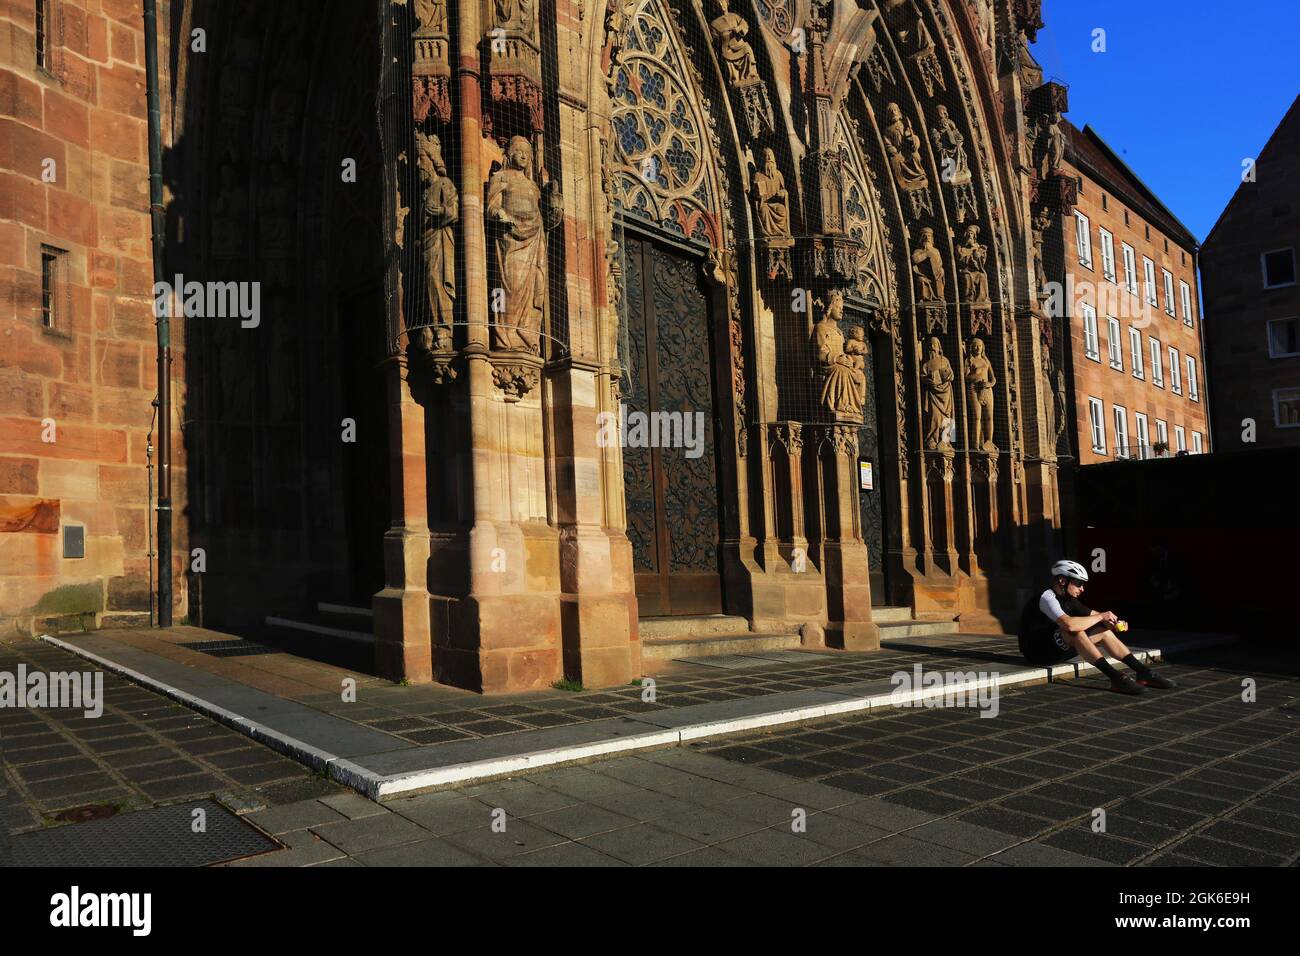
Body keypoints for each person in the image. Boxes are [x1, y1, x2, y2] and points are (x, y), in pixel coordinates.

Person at [1018, 559, 1177, 695]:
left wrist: (1114, 623)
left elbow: (1097, 616)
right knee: (1076, 632)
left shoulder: (1070, 600)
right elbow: (1069, 625)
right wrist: (1102, 616)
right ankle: (1116, 678)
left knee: (1103, 631)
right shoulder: (1047, 597)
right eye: (1079, 583)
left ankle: (1143, 672)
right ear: (1062, 581)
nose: (1082, 589)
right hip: (1037, 653)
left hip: (1057, 649)